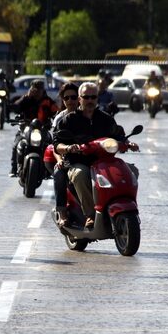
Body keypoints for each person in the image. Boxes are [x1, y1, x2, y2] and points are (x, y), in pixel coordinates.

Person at [53, 82, 137, 229]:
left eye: (93, 97)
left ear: (98, 98)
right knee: (80, 175)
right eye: (86, 97)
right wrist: (68, 148)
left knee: (131, 171)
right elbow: (57, 144)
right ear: (80, 99)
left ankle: (116, 205)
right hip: (78, 162)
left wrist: (128, 143)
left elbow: (118, 135)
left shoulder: (105, 118)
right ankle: (90, 215)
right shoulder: (69, 120)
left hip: (104, 162)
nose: (90, 100)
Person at [10, 79, 58, 176]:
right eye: (35, 89)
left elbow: (56, 112)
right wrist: (26, 97)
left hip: (43, 129)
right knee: (17, 144)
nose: (37, 92)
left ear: (42, 90)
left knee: (51, 145)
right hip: (26, 128)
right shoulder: (26, 99)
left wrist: (57, 120)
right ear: (31, 89)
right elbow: (16, 107)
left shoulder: (48, 101)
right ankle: (14, 169)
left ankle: (49, 170)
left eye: (39, 90)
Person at [50, 82, 80, 227]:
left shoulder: (87, 114)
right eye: (66, 98)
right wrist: (60, 159)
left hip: (88, 157)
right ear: (63, 100)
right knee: (59, 173)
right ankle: (62, 212)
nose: (70, 101)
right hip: (67, 157)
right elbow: (55, 146)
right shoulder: (60, 119)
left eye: (73, 97)